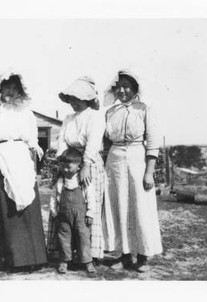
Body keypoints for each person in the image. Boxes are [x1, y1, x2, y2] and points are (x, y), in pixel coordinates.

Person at [0, 69, 47, 271]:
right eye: (6, 87)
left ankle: (32, 258)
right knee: (6, 209)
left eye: (14, 88)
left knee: (27, 207)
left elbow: (32, 140)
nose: (10, 91)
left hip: (22, 160)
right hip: (0, 160)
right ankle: (8, 260)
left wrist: (33, 150)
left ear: (20, 90)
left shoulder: (26, 114)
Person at [46, 76, 113, 263]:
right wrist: (62, 162)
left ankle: (88, 254)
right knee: (65, 203)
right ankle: (66, 251)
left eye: (77, 98)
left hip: (88, 162)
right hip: (69, 162)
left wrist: (86, 165)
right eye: (71, 99)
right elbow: (62, 141)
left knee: (87, 204)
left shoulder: (95, 116)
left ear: (87, 99)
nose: (74, 103)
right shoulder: (68, 119)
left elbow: (93, 142)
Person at [103, 70, 163, 272]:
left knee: (140, 206)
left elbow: (153, 142)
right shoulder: (110, 112)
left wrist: (149, 172)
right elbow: (104, 140)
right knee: (118, 206)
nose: (122, 90)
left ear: (136, 88)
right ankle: (124, 255)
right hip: (114, 161)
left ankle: (144, 256)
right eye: (119, 86)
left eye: (127, 86)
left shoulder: (144, 109)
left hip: (138, 158)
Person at [49, 148, 96, 274]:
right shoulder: (60, 181)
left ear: (79, 166)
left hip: (81, 216)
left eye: (69, 167)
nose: (65, 169)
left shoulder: (83, 181)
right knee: (64, 237)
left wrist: (90, 213)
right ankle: (64, 261)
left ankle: (87, 261)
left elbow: (91, 197)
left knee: (83, 237)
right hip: (63, 216)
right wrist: (54, 211)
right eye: (63, 166)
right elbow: (54, 197)